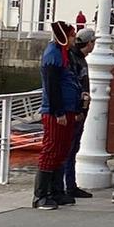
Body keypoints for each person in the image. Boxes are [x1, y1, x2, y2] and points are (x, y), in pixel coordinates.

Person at [37, 20, 83, 210]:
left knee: (62, 150)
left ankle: (56, 191)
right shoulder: (53, 56)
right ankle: (41, 195)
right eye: (72, 35)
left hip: (68, 108)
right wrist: (58, 111)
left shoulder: (63, 54)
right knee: (51, 149)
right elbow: (52, 85)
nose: (74, 39)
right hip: (57, 111)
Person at [64, 27, 95, 201]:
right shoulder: (74, 59)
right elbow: (74, 84)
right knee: (70, 148)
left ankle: (70, 184)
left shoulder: (78, 58)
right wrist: (78, 109)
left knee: (74, 148)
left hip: (81, 108)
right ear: (89, 43)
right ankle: (68, 185)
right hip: (76, 110)